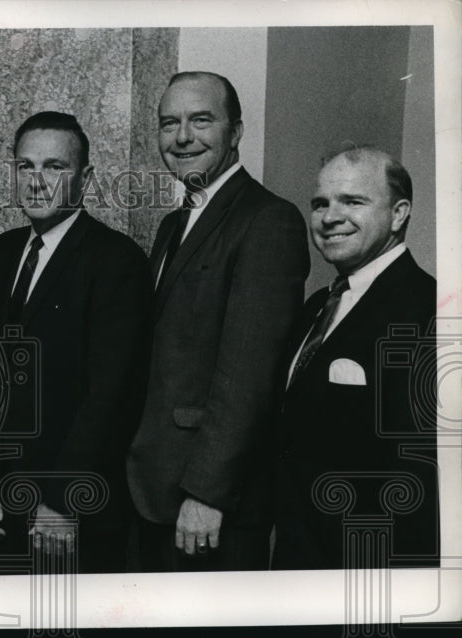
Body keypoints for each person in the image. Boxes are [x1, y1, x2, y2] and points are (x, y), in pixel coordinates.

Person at [126, 72, 309, 571]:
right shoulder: (174, 224)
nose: (182, 137)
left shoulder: (268, 219)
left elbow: (249, 374)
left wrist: (207, 492)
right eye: (169, 123)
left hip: (208, 505)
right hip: (154, 489)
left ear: (236, 131)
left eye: (201, 120)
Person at [0, 111, 152, 573]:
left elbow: (111, 395)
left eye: (54, 167)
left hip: (71, 504)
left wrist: (62, 499)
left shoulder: (116, 260)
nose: (36, 181)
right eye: (25, 166)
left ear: (84, 178)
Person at [273, 147, 439, 570]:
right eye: (320, 204)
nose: (330, 217)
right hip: (297, 558)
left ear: (399, 214)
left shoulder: (431, 311)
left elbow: (422, 479)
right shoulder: (317, 306)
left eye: (352, 201)